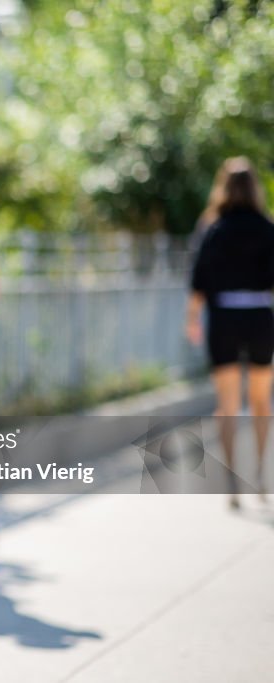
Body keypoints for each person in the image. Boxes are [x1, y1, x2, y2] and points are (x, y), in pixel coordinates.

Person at [186, 156, 274, 510]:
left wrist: (192, 318)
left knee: (226, 405)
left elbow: (198, 281)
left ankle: (232, 485)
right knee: (260, 402)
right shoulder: (267, 228)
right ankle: (261, 479)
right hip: (259, 318)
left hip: (223, 318)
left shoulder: (213, 227)